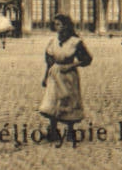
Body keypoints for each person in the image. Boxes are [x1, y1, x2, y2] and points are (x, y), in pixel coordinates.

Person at [40, 13, 92, 147]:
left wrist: (72, 65)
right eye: (55, 24)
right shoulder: (53, 41)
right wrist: (45, 77)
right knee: (53, 101)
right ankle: (53, 131)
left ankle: (70, 131)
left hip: (69, 76)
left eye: (58, 24)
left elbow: (87, 59)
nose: (56, 27)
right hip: (54, 74)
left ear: (66, 26)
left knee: (69, 101)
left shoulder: (75, 42)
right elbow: (49, 61)